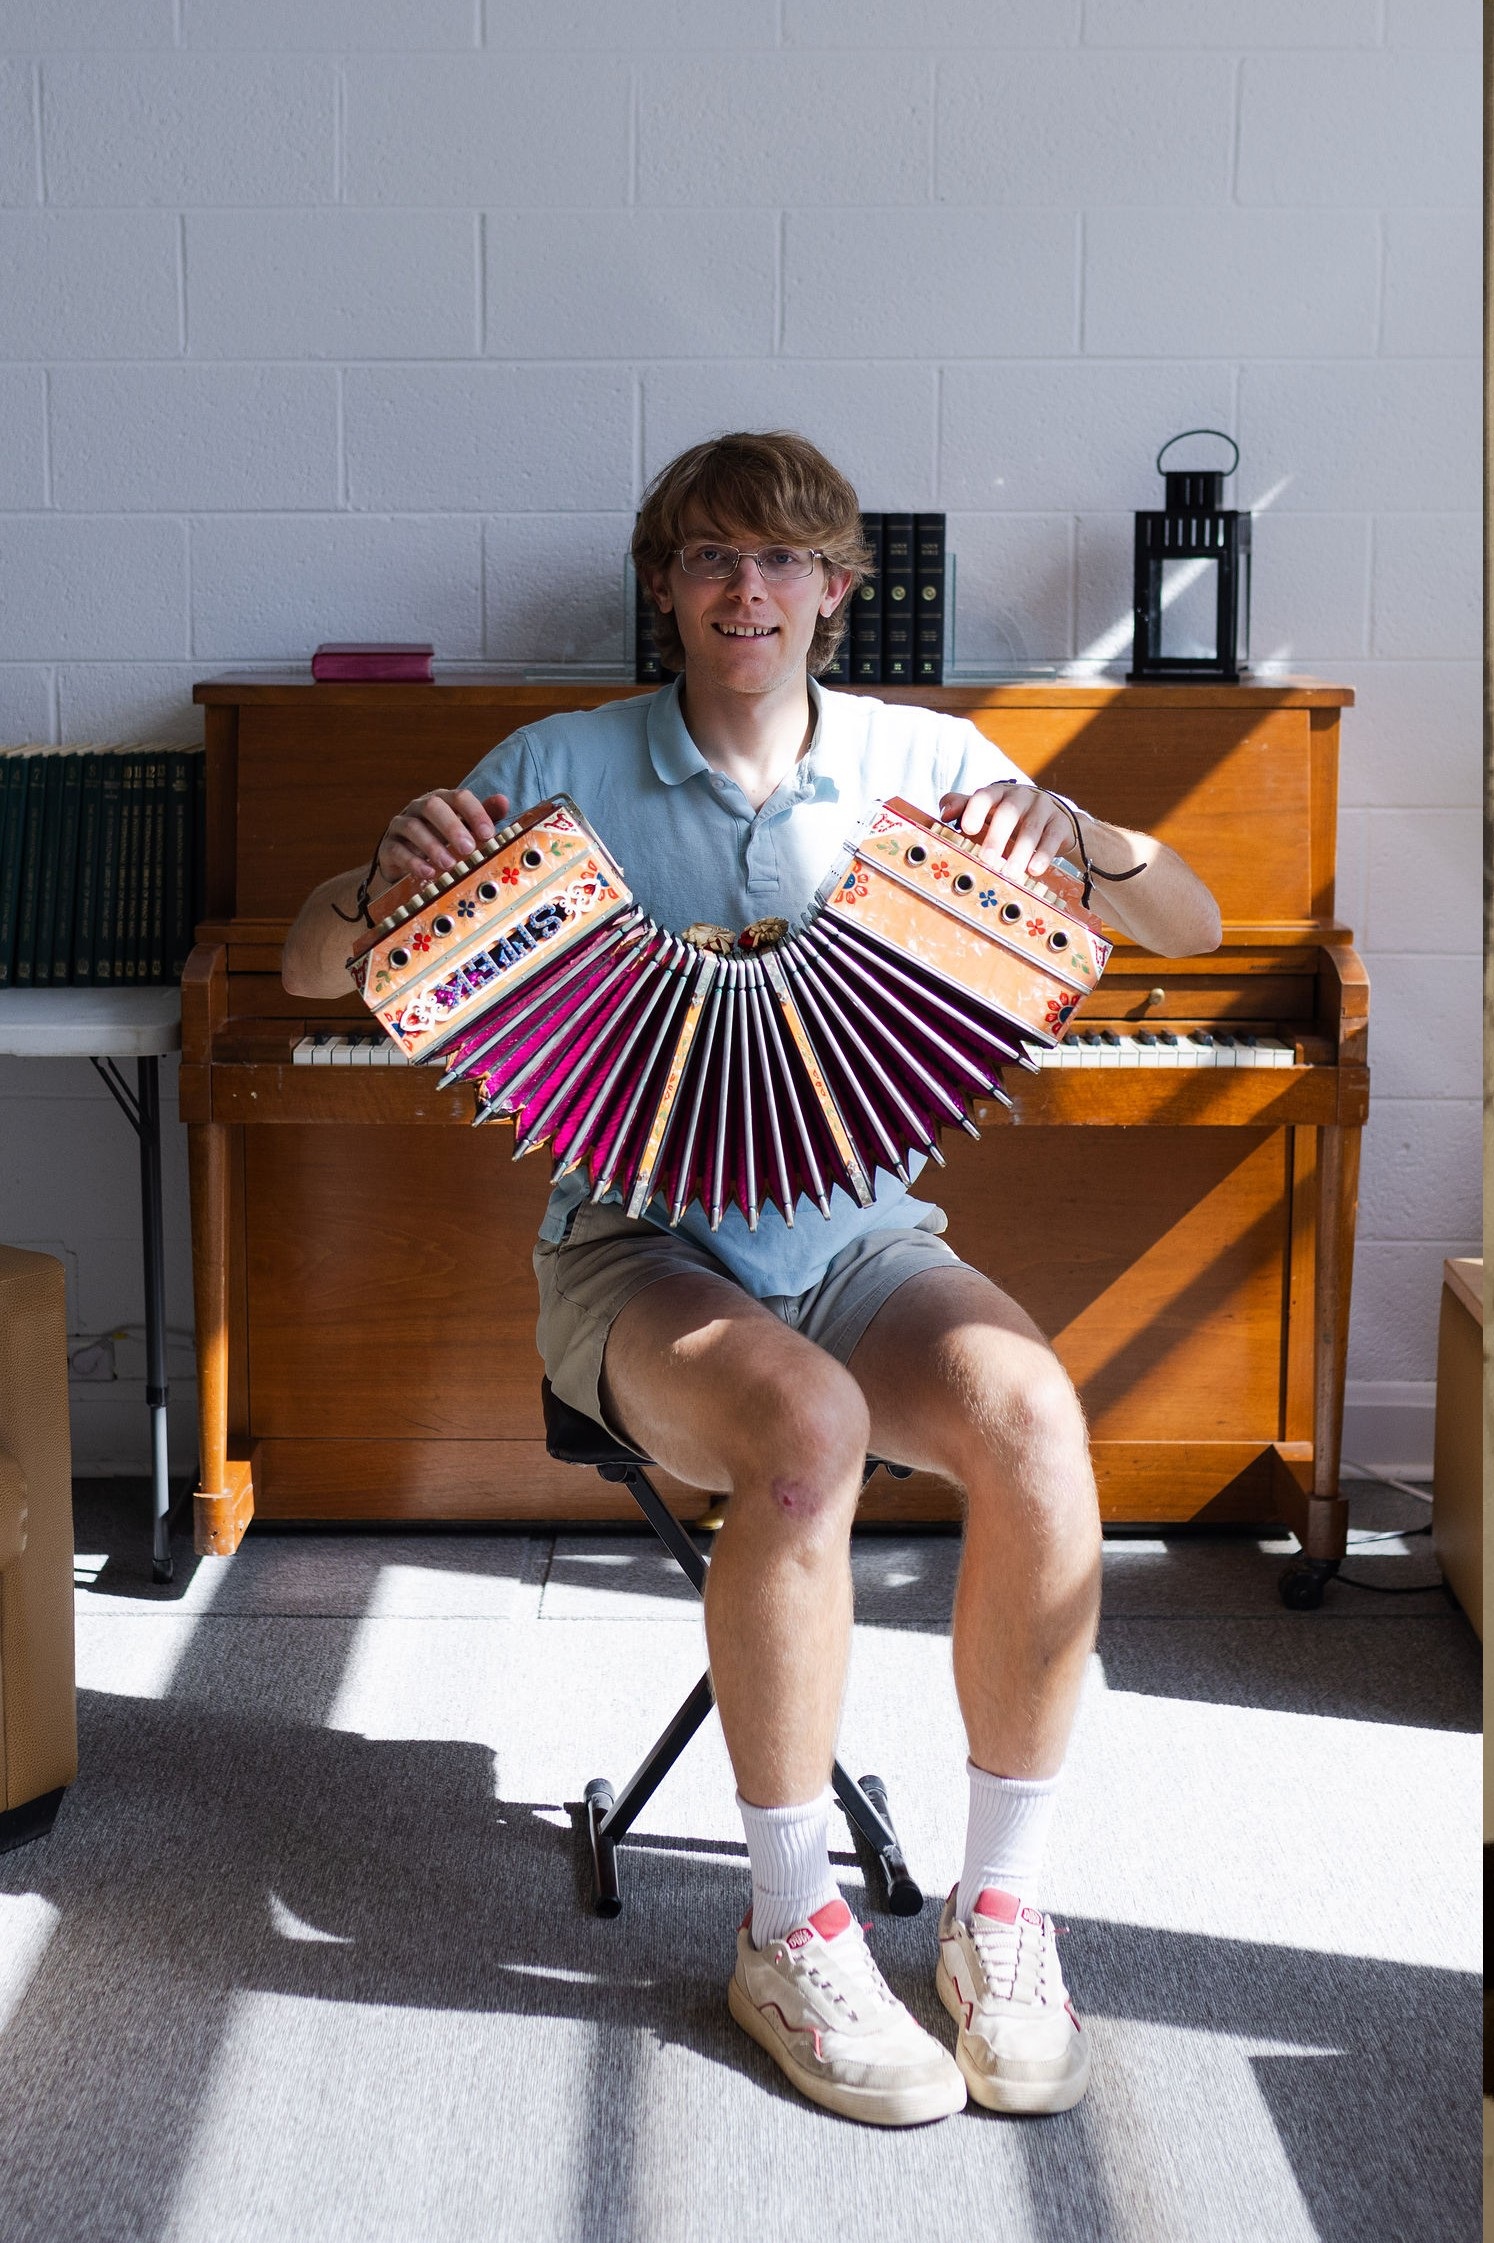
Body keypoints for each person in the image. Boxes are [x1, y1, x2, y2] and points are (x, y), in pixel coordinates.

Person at [279, 431, 1225, 2127]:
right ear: (664, 584)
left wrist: (1079, 828)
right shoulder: (560, 766)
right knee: (806, 1432)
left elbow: (1192, 925)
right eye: (712, 556)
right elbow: (312, 963)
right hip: (637, 1250)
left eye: (783, 560)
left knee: (1032, 1420)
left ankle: (1000, 1904)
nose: (747, 588)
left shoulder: (924, 764)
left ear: (835, 594)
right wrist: (377, 878)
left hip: (862, 1234)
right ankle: (790, 1926)